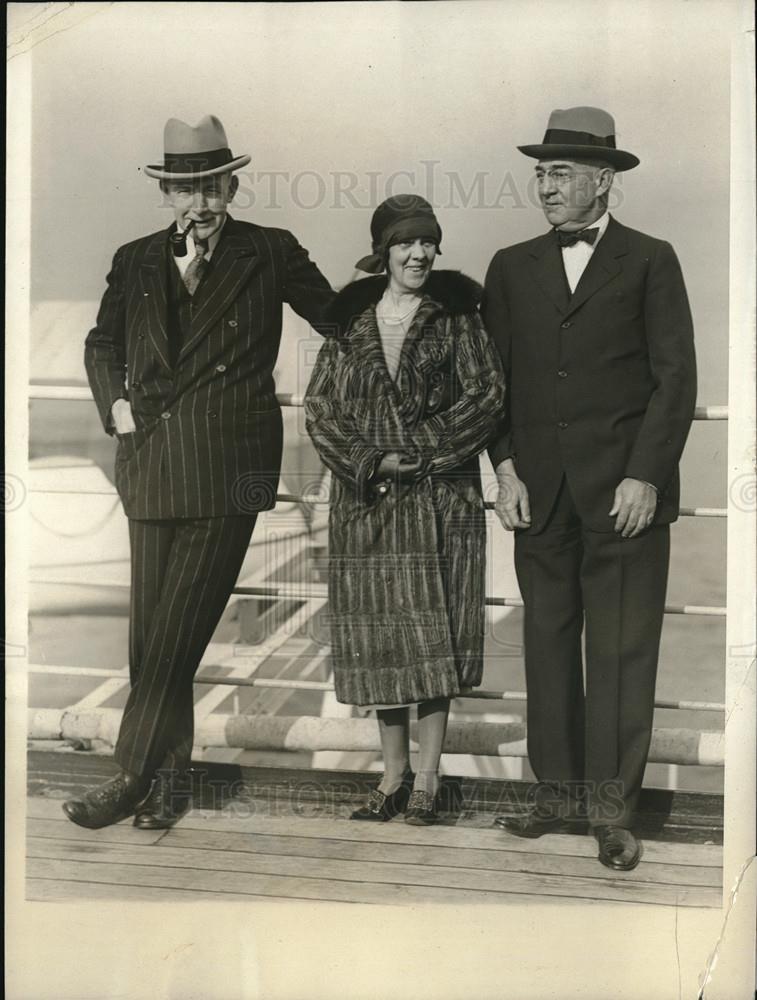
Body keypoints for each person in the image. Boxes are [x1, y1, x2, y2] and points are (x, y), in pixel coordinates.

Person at [64, 115, 333, 830]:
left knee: (178, 631)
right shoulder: (134, 259)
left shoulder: (268, 252)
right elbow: (101, 343)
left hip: (230, 470)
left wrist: (403, 281)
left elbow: (338, 319)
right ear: (167, 194)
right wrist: (114, 403)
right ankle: (170, 784)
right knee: (153, 639)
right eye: (186, 189)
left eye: (211, 187)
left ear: (232, 186)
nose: (201, 204)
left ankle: (127, 776)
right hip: (149, 463)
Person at [482, 107, 697, 871]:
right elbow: (491, 383)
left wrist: (645, 472)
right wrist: (503, 467)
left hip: (623, 495)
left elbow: (675, 380)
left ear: (601, 183)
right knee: (544, 642)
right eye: (540, 171)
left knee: (618, 650)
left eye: (561, 173)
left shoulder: (650, 259)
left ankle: (611, 813)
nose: (545, 185)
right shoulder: (510, 266)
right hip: (536, 494)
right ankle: (556, 796)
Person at [305, 195, 506, 824]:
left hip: (440, 500)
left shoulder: (457, 318)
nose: (419, 254)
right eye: (405, 244)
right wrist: (370, 460)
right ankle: (390, 778)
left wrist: (416, 451)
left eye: (428, 243)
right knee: (378, 639)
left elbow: (487, 395)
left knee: (432, 636)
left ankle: (427, 780)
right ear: (383, 252)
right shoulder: (349, 324)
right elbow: (320, 410)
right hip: (368, 503)